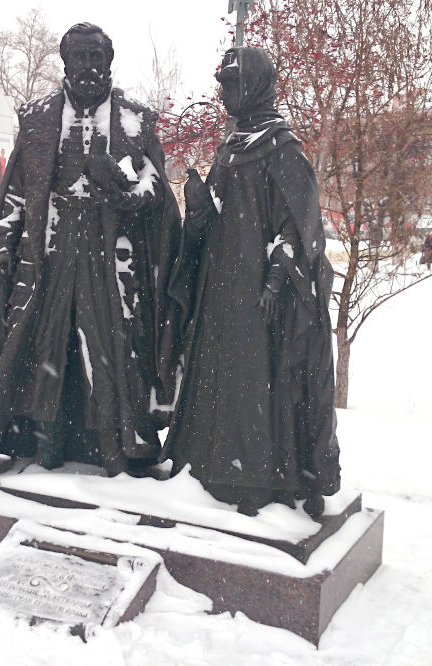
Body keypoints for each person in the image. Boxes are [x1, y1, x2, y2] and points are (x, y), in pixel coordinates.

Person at [0, 23, 182, 477]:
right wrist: (3, 246)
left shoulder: (135, 119)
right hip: (51, 252)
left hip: (109, 256)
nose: (87, 66)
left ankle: (118, 444)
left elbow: (156, 187)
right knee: (48, 345)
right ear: (65, 61)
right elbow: (16, 193)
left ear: (109, 61)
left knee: (111, 348)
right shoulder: (39, 117)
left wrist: (126, 194)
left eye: (95, 56)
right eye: (78, 56)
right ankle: (46, 441)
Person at [165, 47, 341, 517]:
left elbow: (299, 226)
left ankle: (257, 475)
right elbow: (214, 222)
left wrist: (277, 280)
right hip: (219, 289)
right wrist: (199, 204)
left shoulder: (282, 149)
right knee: (216, 377)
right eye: (222, 85)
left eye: (232, 84)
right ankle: (206, 463)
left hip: (257, 294)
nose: (224, 94)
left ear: (256, 86)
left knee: (254, 384)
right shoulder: (230, 147)